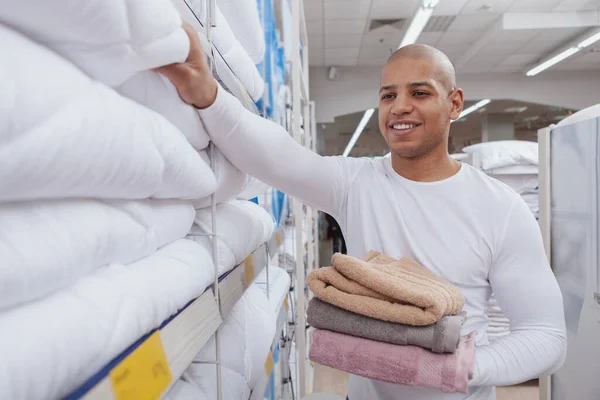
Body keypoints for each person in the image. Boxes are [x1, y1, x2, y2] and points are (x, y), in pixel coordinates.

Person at [158, 21, 567, 400]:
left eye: (419, 93)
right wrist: (209, 97)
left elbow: (546, 336)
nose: (399, 106)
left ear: (454, 103)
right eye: (388, 95)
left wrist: (458, 367)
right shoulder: (357, 183)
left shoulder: (500, 207)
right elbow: (277, 157)